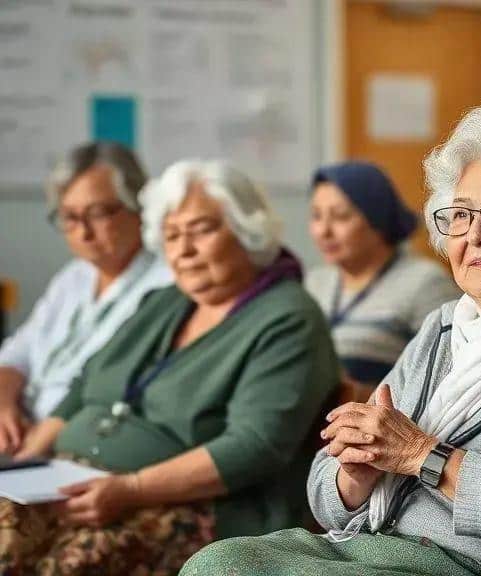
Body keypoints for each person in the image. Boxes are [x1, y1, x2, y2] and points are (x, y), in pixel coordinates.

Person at [182, 107, 481, 576]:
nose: (475, 234)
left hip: (479, 568)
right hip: (374, 546)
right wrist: (356, 472)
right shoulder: (445, 327)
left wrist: (423, 456)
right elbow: (325, 496)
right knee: (214, 563)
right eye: (460, 215)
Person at [0, 160, 337, 575]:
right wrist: (28, 458)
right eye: (172, 235)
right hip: (75, 478)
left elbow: (254, 446)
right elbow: (87, 383)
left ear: (247, 230)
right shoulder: (164, 300)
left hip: (194, 508)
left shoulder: (289, 317)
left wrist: (130, 489)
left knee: (63, 564)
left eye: (201, 230)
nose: (183, 250)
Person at [0, 142, 172, 453]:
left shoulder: (168, 284)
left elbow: (103, 391)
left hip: (73, 444)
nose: (83, 232)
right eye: (69, 217)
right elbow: (16, 354)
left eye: (97, 213)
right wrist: (3, 406)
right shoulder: (75, 276)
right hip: (20, 434)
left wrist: (33, 446)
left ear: (139, 207)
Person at [306, 162, 460, 402]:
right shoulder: (315, 281)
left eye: (341, 217)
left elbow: (448, 379)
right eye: (316, 216)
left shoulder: (425, 282)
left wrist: (357, 395)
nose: (323, 230)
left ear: (377, 219)